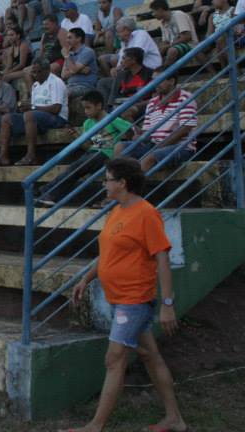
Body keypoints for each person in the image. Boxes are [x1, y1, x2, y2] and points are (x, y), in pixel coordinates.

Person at [68, 157, 186, 432]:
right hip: (118, 297)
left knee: (114, 358)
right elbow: (108, 253)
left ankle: (95, 426)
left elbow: (162, 260)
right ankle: (175, 419)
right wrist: (85, 279)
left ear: (122, 183)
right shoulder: (117, 211)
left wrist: (167, 304)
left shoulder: (146, 213)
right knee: (150, 356)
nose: (104, 184)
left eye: (107, 179)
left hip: (134, 300)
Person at [37, 90, 132, 208]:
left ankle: (49, 192)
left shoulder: (111, 119)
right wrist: (76, 136)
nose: (86, 111)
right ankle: (49, 192)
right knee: (75, 168)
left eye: (88, 108)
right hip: (93, 154)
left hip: (107, 154)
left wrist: (123, 138)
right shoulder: (87, 123)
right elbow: (88, 146)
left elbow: (131, 131)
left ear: (99, 106)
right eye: (84, 108)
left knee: (76, 167)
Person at [0, 59, 68, 166]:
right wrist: (25, 107)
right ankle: (3, 156)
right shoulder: (35, 85)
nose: (34, 75)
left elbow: (56, 109)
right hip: (37, 118)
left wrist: (32, 107)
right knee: (6, 118)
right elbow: (34, 108)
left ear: (47, 71)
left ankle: (31, 156)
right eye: (33, 72)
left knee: (29, 115)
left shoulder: (56, 82)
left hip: (57, 118)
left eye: (37, 72)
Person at [115, 70, 197, 172]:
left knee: (150, 157)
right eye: (153, 80)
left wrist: (157, 147)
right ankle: (120, 183)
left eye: (159, 80)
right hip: (155, 145)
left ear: (171, 81)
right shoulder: (152, 103)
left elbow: (185, 129)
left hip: (181, 147)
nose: (154, 83)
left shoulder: (185, 97)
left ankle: (131, 186)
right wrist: (138, 135)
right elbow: (147, 133)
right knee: (120, 147)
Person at [150, 0, 198, 68]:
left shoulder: (178, 15)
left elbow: (187, 37)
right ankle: (157, 74)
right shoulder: (163, 23)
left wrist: (169, 45)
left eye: (153, 11)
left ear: (160, 9)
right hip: (175, 45)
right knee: (156, 53)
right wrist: (160, 49)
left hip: (190, 44)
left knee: (172, 51)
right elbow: (165, 42)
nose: (153, 14)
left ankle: (165, 74)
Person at [61, 27, 99, 98]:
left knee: (64, 94)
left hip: (85, 86)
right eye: (67, 38)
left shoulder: (87, 51)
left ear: (79, 39)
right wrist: (81, 70)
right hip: (70, 86)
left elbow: (73, 70)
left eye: (70, 38)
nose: (67, 40)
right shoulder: (70, 54)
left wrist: (66, 56)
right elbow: (63, 75)